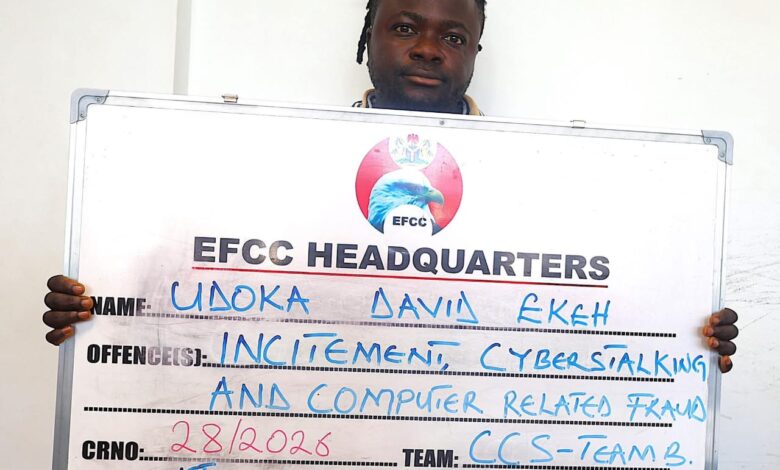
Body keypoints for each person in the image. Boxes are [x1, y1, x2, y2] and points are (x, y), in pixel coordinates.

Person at [42, 0, 739, 372]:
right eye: (404, 27)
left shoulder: (553, 187)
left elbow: (598, 302)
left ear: (474, 52)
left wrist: (686, 337)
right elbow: (203, 277)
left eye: (454, 36)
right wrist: (105, 304)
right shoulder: (268, 168)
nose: (429, 48)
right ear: (367, 39)